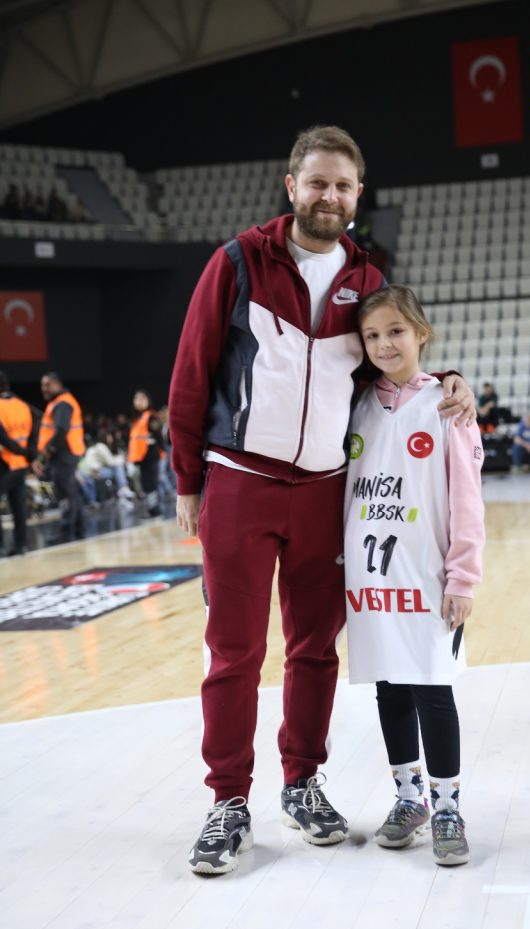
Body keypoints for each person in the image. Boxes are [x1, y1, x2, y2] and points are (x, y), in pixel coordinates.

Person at [168, 125, 475, 876]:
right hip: (239, 480)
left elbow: (388, 368)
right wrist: (187, 482)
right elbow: (191, 372)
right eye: (317, 183)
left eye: (342, 185)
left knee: (314, 649)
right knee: (234, 651)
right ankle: (228, 801)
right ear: (292, 187)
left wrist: (450, 382)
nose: (329, 196)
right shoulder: (237, 262)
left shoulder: (367, 280)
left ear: (357, 195)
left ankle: (301, 782)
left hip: (323, 492)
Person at [344, 286, 484, 866]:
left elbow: (467, 501)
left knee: (432, 686)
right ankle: (410, 798)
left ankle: (448, 807)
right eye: (372, 335)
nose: (384, 344)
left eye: (396, 331)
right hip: (370, 581)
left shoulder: (447, 406)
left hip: (427, 577)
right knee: (390, 686)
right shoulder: (354, 406)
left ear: (421, 333)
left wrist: (462, 578)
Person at [33, 371, 85, 542]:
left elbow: (61, 430)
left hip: (63, 453)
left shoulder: (62, 403)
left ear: (57, 384)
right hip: (67, 452)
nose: (44, 389)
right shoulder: (60, 402)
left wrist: (46, 453)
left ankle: (66, 532)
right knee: (72, 492)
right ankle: (78, 530)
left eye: (47, 385)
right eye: (42, 385)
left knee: (65, 493)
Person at [0, 371, 36, 557]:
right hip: (21, 464)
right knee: (18, 507)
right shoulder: (23, 406)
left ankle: (1, 547)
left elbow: (4, 439)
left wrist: (21, 453)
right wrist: (29, 455)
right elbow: (33, 436)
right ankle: (21, 545)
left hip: (5, 463)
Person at [127, 390, 164, 517]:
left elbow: (158, 435)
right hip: (141, 457)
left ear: (148, 401)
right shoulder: (137, 419)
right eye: (137, 398)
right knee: (146, 484)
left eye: (143, 398)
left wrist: (162, 451)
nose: (139, 401)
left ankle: (155, 510)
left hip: (151, 454)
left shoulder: (151, 416)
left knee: (151, 483)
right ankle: (151, 509)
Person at [79, 429, 135, 506]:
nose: (111, 438)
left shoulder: (98, 446)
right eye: (109, 436)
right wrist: (123, 459)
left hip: (91, 470)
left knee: (117, 468)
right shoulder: (101, 446)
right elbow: (111, 462)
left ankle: (122, 488)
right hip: (93, 472)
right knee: (118, 468)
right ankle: (123, 487)